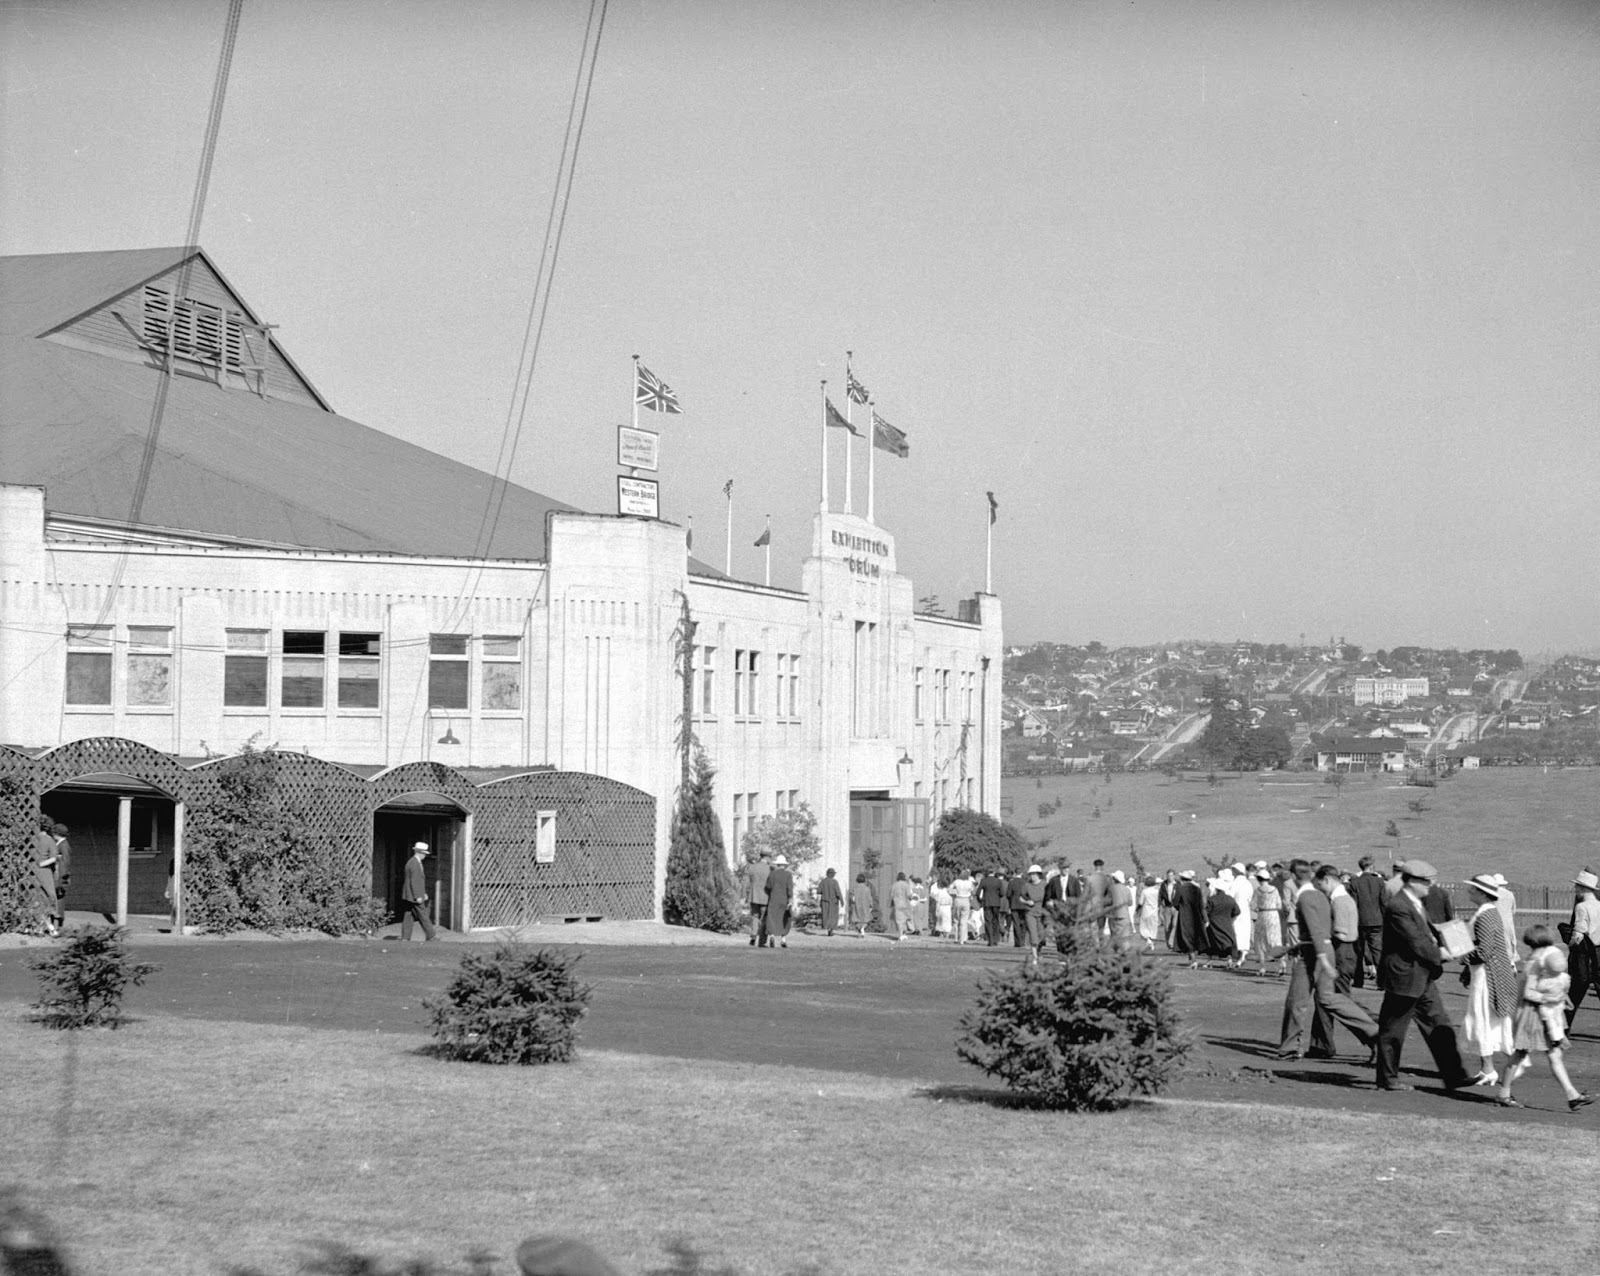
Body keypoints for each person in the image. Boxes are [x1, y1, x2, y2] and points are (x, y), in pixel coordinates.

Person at [1374, 860, 1475, 1092]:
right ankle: (1387, 1079)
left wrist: (1452, 935)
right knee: (1393, 1030)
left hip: (1422, 975)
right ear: (1412, 882)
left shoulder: (1414, 902)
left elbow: (1427, 932)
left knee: (1439, 1024)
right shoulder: (1399, 905)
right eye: (1427, 882)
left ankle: (1454, 1076)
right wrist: (1443, 953)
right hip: (1404, 977)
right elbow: (1416, 941)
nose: (1431, 886)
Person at [1278, 861, 1379, 1061]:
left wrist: (1322, 959)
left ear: (1293, 877)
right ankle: (1373, 1030)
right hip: (1323, 950)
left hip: (1314, 954)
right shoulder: (1321, 896)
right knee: (1329, 999)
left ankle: (1289, 1047)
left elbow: (1316, 931)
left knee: (1297, 1001)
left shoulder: (1305, 897)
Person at [1496, 926, 1593, 1112]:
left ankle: (1572, 1095)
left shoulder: (1548, 954)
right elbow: (1528, 993)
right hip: (1532, 1013)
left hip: (1547, 1012)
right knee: (1521, 1053)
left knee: (1554, 1054)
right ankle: (1504, 1093)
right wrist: (1549, 997)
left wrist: (1560, 995)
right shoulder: (1535, 962)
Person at [1460, 874, 1516, 1088]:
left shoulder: (1486, 914)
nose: (1469, 891)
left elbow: (1484, 951)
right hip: (1485, 973)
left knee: (1483, 1018)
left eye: (1473, 889)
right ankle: (1488, 1068)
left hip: (1488, 976)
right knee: (1484, 1020)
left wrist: (1460, 955)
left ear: (1483, 893)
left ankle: (1501, 1066)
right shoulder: (1487, 912)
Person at [1565, 870, 1600, 1027]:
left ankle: (1563, 1029)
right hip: (1599, 952)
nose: (1575, 890)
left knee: (1575, 993)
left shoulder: (1581, 907)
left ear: (1582, 888)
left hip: (1584, 954)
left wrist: (1570, 942)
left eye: (1577, 887)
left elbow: (1579, 933)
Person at [1350, 855, 1387, 988]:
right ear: (1371, 867)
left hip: (1360, 921)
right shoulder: (1379, 882)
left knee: (1358, 952)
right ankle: (1382, 981)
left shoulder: (1355, 882)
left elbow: (1353, 904)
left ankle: (1358, 980)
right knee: (1377, 950)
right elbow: (1383, 902)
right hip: (1377, 920)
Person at [1250, 869, 1285, 976]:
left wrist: (1259, 908)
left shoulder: (1258, 890)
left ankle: (1262, 967)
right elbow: (1279, 905)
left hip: (1262, 915)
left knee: (1260, 941)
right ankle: (1282, 963)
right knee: (1275, 940)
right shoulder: (1274, 890)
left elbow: (1253, 906)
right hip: (1273, 915)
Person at [400, 841, 438, 942]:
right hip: (414, 895)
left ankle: (405, 937)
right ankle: (431, 935)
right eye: (424, 854)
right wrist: (418, 896)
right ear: (420, 852)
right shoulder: (415, 864)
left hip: (409, 894)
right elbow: (415, 881)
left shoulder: (412, 862)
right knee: (423, 914)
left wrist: (422, 893)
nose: (425, 856)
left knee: (409, 915)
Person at [29, 818, 61, 935]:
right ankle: (52, 926)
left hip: (32, 870)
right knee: (50, 896)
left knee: (36, 896)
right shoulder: (49, 840)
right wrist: (42, 864)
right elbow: (54, 858)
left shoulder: (33, 839)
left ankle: (39, 925)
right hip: (44, 871)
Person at [1009, 864, 1046, 964]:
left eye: (1034, 874)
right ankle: (1035, 957)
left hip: (1042, 912)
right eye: (1031, 874)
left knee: (1041, 935)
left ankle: (1039, 951)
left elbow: (1050, 896)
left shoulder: (1045, 885)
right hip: (1030, 912)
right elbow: (1021, 897)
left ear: (1039, 874)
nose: (1032, 876)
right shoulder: (1027, 885)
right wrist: (1027, 902)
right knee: (1033, 934)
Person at [1173, 870, 1206, 967]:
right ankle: (1191, 959)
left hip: (1184, 915)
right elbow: (1201, 904)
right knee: (1193, 936)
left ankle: (1193, 959)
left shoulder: (1180, 889)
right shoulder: (1197, 889)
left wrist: (1180, 907)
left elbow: (1175, 902)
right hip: (1196, 915)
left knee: (1186, 936)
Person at [1206, 876, 1240, 966]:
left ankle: (1210, 960)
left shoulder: (1212, 899)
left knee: (1211, 941)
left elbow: (1207, 911)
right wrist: (1230, 916)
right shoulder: (1230, 899)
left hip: (1214, 923)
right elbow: (1237, 911)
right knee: (1227, 940)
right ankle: (1229, 959)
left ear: (1216, 889)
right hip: (1226, 922)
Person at [741, 851, 771, 948]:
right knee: (764, 919)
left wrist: (744, 896)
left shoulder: (752, 867)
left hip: (754, 896)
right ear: (767, 857)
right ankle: (762, 941)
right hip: (765, 897)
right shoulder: (769, 869)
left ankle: (753, 936)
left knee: (755, 917)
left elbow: (745, 882)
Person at [763, 854, 794, 948]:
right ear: (784, 865)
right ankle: (783, 939)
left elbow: (768, 886)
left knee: (772, 917)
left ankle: (772, 936)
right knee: (784, 918)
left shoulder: (772, 874)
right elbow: (790, 888)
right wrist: (790, 899)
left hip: (773, 898)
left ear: (777, 864)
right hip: (784, 899)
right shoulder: (788, 875)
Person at [979, 868, 1008, 947]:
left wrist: (980, 900)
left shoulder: (984, 880)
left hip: (987, 902)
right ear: (994, 873)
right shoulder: (998, 881)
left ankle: (990, 940)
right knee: (995, 921)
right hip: (996, 903)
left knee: (988, 921)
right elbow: (1002, 893)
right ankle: (996, 939)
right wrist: (997, 897)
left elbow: (978, 892)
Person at [1107, 870, 1135, 948]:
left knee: (1114, 937)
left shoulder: (1111, 889)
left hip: (1113, 915)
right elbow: (1130, 903)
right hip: (1124, 915)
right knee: (1124, 937)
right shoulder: (1126, 889)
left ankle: (1116, 950)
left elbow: (1107, 901)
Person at [1136, 875, 1161, 953]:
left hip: (1146, 911)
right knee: (1153, 928)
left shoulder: (1145, 891)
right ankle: (1151, 941)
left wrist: (1137, 909)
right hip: (1154, 911)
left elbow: (1140, 902)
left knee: (1144, 927)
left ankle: (1148, 940)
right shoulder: (1157, 891)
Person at [950, 870, 974, 945]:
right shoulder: (969, 883)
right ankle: (963, 939)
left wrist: (953, 894)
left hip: (958, 899)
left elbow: (949, 889)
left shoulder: (956, 882)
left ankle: (956, 938)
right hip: (966, 900)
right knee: (964, 920)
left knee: (956, 920)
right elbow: (972, 891)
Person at [818, 867, 843, 937]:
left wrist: (825, 891)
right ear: (832, 874)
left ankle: (828, 929)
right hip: (833, 902)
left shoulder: (823, 881)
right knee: (833, 916)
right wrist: (841, 900)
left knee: (826, 915)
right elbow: (838, 892)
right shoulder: (834, 882)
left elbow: (818, 891)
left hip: (824, 901)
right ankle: (831, 929)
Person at [849, 872, 874, 937]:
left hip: (857, 905)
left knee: (857, 918)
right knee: (865, 919)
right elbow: (869, 898)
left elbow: (852, 898)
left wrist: (852, 903)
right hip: (865, 906)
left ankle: (860, 929)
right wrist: (871, 905)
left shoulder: (854, 889)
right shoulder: (867, 889)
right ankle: (862, 928)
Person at [890, 872, 913, 941]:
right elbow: (909, 895)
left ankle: (901, 934)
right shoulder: (906, 885)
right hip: (905, 904)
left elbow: (891, 895)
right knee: (905, 919)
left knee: (899, 920)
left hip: (897, 904)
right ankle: (904, 934)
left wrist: (891, 904)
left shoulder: (894, 885)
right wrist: (912, 897)